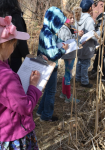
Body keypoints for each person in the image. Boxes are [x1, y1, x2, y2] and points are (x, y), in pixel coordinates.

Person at [0, 16, 42, 149]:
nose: (14, 49)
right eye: (13, 45)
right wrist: (33, 86)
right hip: (14, 136)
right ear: (5, 45)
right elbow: (25, 107)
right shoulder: (5, 76)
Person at [36, 7, 69, 122]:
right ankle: (46, 116)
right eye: (58, 23)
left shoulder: (46, 31)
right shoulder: (48, 34)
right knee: (51, 91)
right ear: (53, 21)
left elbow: (55, 40)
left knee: (48, 90)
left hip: (45, 65)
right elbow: (53, 54)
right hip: (50, 67)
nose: (59, 26)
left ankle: (40, 111)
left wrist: (61, 43)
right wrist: (64, 50)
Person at [58, 10, 83, 103]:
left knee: (67, 73)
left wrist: (76, 33)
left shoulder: (69, 27)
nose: (72, 20)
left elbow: (72, 35)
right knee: (69, 74)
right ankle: (68, 97)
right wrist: (77, 36)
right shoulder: (63, 29)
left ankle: (63, 93)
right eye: (70, 18)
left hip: (71, 53)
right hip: (68, 54)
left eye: (73, 18)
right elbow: (68, 42)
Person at [0, 0, 29, 73]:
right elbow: (21, 42)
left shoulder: (2, 14)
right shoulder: (15, 16)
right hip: (14, 58)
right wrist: (28, 58)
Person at [75, 0, 97, 88]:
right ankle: (84, 81)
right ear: (90, 8)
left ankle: (77, 78)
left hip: (79, 44)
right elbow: (92, 34)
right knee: (85, 64)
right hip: (87, 46)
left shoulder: (77, 17)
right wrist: (99, 36)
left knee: (79, 62)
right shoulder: (89, 20)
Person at [89, 0, 105, 79]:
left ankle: (95, 69)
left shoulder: (101, 15)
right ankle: (101, 72)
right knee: (103, 56)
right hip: (104, 40)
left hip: (99, 39)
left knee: (99, 54)